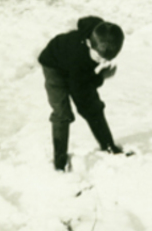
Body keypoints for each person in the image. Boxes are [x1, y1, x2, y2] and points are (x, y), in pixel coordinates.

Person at [39, 16, 125, 171]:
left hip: (76, 69)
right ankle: (60, 162)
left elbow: (83, 80)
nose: (101, 61)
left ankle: (109, 146)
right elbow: (81, 86)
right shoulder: (77, 57)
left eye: (106, 59)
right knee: (62, 113)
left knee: (93, 108)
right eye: (99, 56)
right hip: (54, 66)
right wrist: (100, 77)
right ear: (88, 43)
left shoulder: (99, 34)